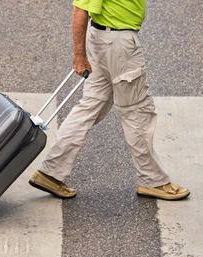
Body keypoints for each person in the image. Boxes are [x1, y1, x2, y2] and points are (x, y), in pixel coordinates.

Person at [28, 0, 190, 200]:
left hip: (101, 40)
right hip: (118, 44)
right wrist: (79, 56)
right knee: (137, 113)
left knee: (90, 106)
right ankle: (152, 181)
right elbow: (80, 10)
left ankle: (51, 173)